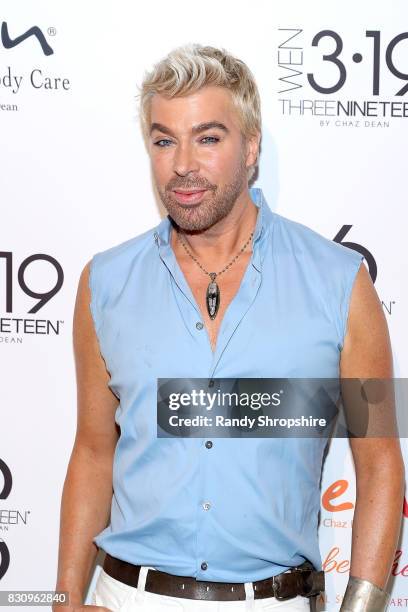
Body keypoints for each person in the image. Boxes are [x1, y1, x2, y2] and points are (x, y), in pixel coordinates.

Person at [54, 44, 405, 612]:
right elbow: (94, 452)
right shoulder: (106, 282)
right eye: (164, 140)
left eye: (208, 138)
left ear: (252, 146)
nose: (182, 164)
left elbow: (381, 460)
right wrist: (65, 600)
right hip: (124, 597)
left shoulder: (339, 283)